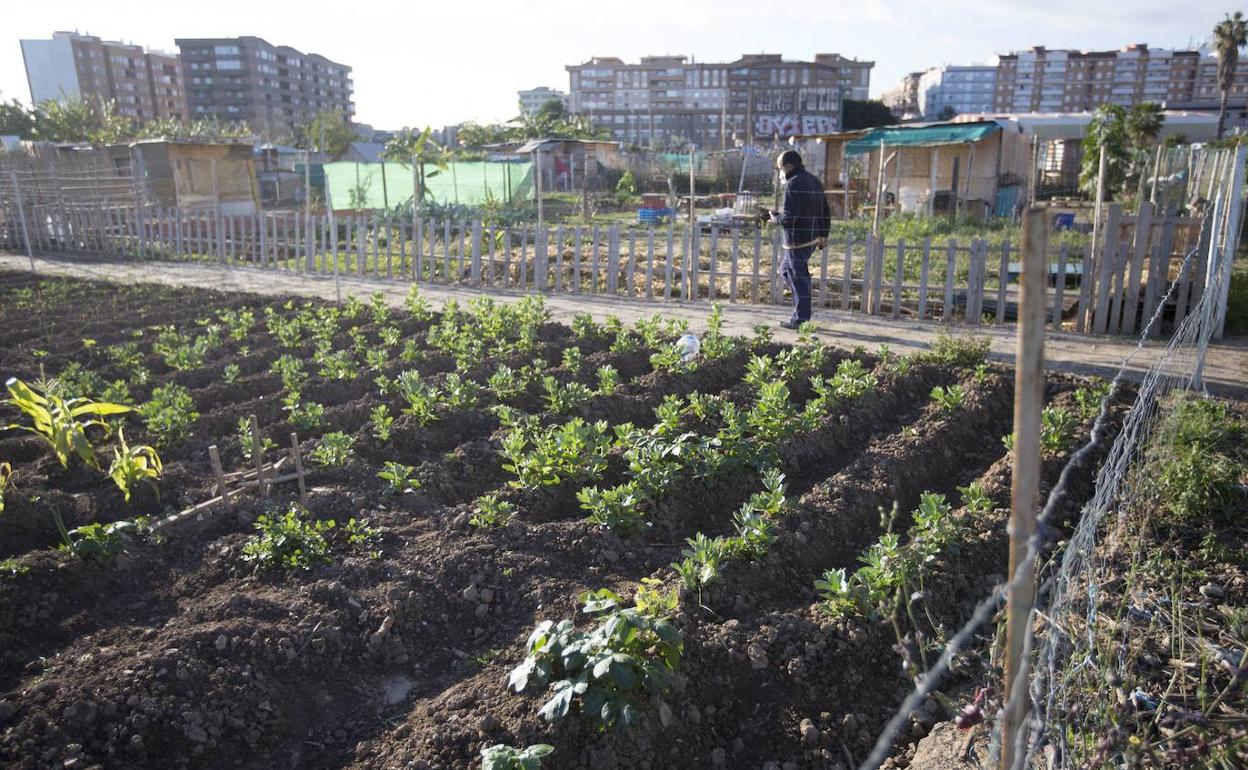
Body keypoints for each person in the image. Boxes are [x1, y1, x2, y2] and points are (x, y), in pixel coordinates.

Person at [769, 150, 831, 329]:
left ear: (789, 166)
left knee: (797, 277)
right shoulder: (814, 180)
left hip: (797, 240)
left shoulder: (793, 183)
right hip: (812, 237)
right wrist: (824, 235)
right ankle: (801, 311)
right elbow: (825, 211)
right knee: (786, 271)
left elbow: (790, 218)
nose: (779, 172)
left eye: (780, 168)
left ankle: (801, 319)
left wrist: (775, 218)